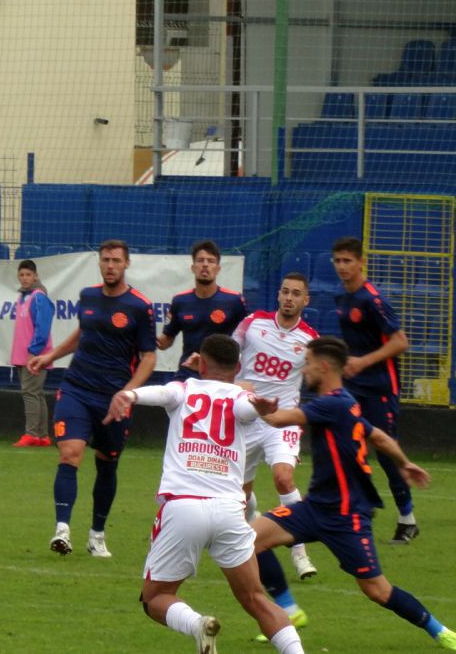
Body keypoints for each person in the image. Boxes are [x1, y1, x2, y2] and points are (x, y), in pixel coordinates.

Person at [248, 336, 456, 650]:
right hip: (315, 507)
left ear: (324, 365)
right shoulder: (345, 402)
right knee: (247, 540)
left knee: (378, 591)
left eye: (307, 363)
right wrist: (405, 463)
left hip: (347, 517)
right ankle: (289, 611)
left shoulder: (332, 403)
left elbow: (278, 419)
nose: (304, 370)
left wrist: (247, 399)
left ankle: (441, 632)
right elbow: (380, 438)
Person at [104, 335, 304, 654]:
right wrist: (261, 407)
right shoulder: (241, 396)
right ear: (238, 367)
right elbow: (246, 405)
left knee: (155, 598)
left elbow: (160, 393)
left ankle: (197, 624)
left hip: (184, 508)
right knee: (255, 599)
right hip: (229, 511)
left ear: (202, 362)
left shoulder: (184, 388)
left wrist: (129, 394)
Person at [28, 239, 156, 558]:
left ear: (126, 264)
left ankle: (97, 534)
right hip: (77, 387)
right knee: (70, 453)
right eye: (105, 260)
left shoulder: (140, 306)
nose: (110, 265)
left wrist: (128, 393)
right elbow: (82, 332)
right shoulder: (88, 296)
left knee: (107, 463)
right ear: (99, 263)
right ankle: (62, 530)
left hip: (113, 398)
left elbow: (149, 357)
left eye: (116, 260)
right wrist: (51, 356)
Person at [232, 272, 320, 582]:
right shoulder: (253, 323)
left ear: (305, 300)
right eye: (285, 291)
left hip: (282, 420)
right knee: (239, 496)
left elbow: (320, 378)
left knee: (283, 477)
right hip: (247, 417)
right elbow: (230, 354)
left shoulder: (311, 340)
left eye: (296, 293)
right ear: (278, 295)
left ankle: (299, 552)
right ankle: (253, 527)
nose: (289, 298)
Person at [330, 236, 416, 543]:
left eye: (347, 261)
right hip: (353, 387)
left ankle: (407, 518)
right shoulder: (342, 300)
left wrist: (363, 362)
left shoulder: (373, 300)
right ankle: (361, 506)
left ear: (360, 262)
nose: (342, 267)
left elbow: (400, 342)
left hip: (380, 388)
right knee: (348, 447)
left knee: (385, 450)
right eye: (337, 261)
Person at [156, 239, 247, 382]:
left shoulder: (234, 301)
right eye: (200, 260)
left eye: (211, 261)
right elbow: (166, 341)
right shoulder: (180, 301)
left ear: (218, 268)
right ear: (193, 267)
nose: (205, 265)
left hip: (220, 376)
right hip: (187, 374)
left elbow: (246, 340)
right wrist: (150, 339)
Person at [10, 259, 56, 447]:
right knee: (36, 394)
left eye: (28, 274)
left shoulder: (38, 297)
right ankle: (42, 436)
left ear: (36, 276)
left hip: (34, 356)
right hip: (24, 356)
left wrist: (33, 351)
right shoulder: (22, 297)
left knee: (29, 393)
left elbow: (42, 328)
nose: (25, 278)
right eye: (21, 275)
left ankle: (31, 434)